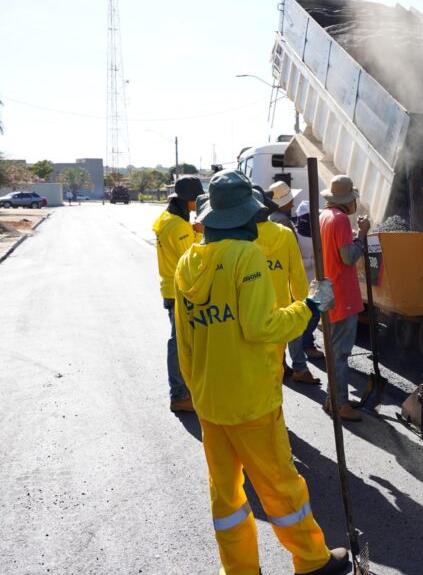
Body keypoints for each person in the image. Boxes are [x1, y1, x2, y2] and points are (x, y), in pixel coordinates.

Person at [174, 170, 349, 575]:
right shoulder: (246, 257)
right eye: (254, 218)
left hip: (210, 400)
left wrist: (198, 390)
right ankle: (311, 561)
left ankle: (239, 570)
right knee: (281, 486)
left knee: (226, 496)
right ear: (243, 219)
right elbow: (261, 327)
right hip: (251, 398)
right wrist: (309, 307)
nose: (258, 225)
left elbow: (185, 340)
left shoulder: (189, 262)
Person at [252, 186, 321, 386]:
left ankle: (283, 366)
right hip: (282, 297)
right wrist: (301, 303)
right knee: (291, 331)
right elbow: (296, 271)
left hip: (256, 303)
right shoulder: (284, 231)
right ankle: (298, 367)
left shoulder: (244, 237)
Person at [318, 175, 369, 423]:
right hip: (342, 294)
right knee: (340, 353)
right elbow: (348, 257)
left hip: (328, 291)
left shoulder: (324, 216)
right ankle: (340, 404)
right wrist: (362, 235)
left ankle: (334, 398)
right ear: (347, 200)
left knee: (333, 349)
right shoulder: (340, 221)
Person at [152, 175, 204, 412]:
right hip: (179, 290)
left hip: (172, 287)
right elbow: (192, 258)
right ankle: (179, 394)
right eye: (197, 199)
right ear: (188, 201)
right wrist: (199, 234)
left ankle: (183, 390)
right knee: (178, 343)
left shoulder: (168, 218)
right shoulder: (178, 226)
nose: (198, 204)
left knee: (182, 341)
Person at [289, 199, 324, 362]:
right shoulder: (294, 235)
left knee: (315, 315)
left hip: (316, 283)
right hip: (299, 284)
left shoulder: (318, 233)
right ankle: (306, 345)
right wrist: (312, 261)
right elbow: (292, 260)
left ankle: (307, 342)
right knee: (303, 316)